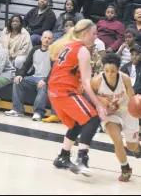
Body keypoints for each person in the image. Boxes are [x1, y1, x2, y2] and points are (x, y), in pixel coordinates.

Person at [48, 19, 107, 177]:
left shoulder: (67, 46)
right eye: (94, 33)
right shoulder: (83, 50)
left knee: (78, 121)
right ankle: (82, 160)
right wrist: (99, 106)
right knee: (92, 118)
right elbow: (87, 83)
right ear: (84, 33)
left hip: (54, 91)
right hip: (64, 91)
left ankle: (63, 156)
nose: (96, 37)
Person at [91, 53, 141, 182]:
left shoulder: (125, 79)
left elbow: (132, 97)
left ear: (118, 70)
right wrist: (100, 99)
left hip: (126, 111)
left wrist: (140, 105)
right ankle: (125, 169)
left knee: (131, 146)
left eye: (112, 71)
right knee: (117, 140)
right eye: (106, 71)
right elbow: (88, 93)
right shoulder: (97, 81)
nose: (109, 74)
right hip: (111, 115)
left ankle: (136, 145)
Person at [5, 31, 53, 121]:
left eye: (49, 38)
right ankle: (17, 110)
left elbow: (54, 70)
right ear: (41, 38)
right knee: (18, 81)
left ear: (52, 40)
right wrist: (20, 75)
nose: (46, 40)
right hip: (34, 77)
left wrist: (45, 81)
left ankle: (38, 112)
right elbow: (26, 65)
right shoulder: (35, 49)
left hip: (45, 79)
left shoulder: (53, 51)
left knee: (43, 87)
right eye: (45, 37)